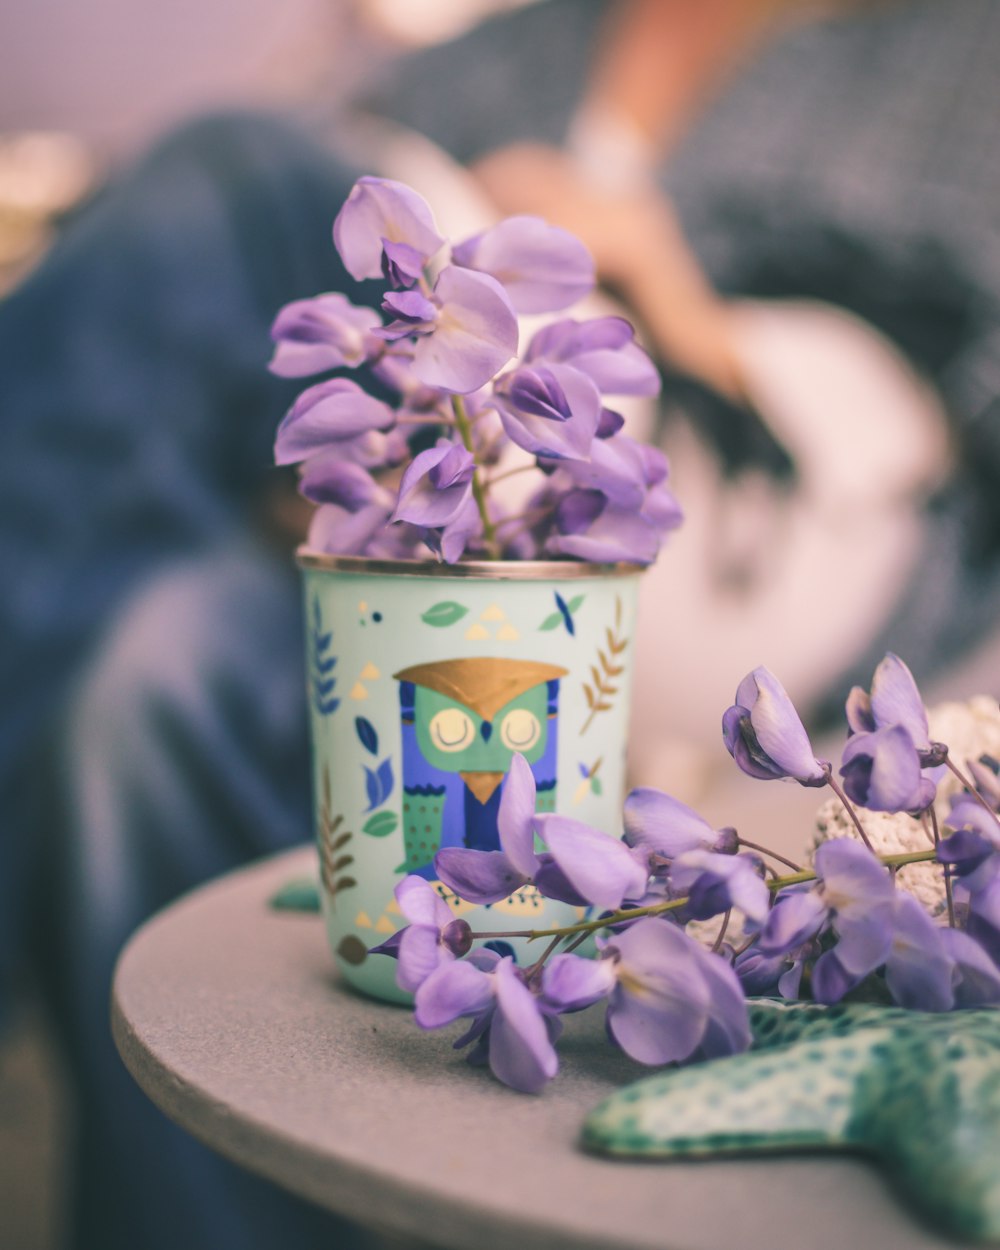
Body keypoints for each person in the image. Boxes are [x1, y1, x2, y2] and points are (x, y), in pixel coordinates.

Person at [4, 1, 1000, 1247]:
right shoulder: (521, 41)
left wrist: (699, 319)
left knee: (241, 167)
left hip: (754, 485)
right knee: (156, 664)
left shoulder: (960, 44)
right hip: (436, 489)